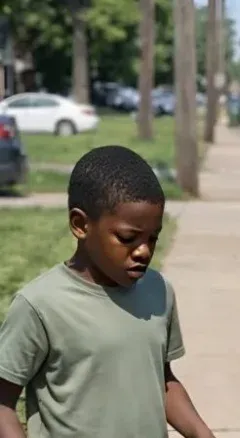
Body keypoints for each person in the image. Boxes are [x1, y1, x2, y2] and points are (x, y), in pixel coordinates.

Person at [0, 145, 215, 438]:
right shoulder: (40, 305)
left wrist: (203, 434)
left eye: (153, 238)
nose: (143, 250)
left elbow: (162, 381)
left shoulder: (158, 291)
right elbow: (3, 403)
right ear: (80, 225)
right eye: (128, 238)